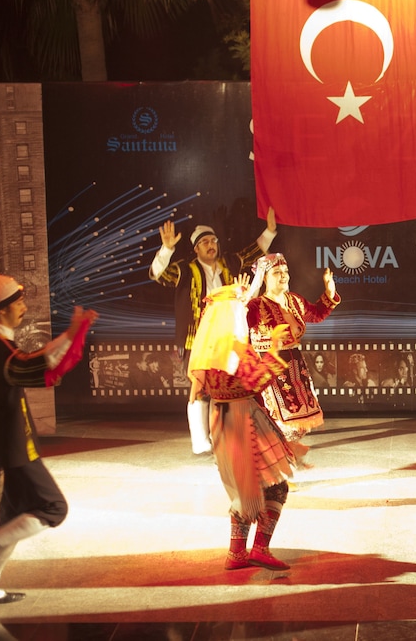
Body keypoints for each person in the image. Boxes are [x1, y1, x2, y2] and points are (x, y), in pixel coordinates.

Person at [0, 273, 98, 608]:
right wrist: (71, 334)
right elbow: (30, 368)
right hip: (11, 447)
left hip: (2, 444)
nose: (24, 307)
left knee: (11, 518)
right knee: (54, 508)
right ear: (2, 309)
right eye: (19, 302)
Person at [149, 207, 277, 455]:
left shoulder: (229, 264)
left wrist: (270, 230)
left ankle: (229, 436)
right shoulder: (186, 270)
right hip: (196, 339)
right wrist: (166, 249)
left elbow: (255, 251)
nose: (211, 246)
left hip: (228, 336)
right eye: (205, 242)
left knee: (230, 385)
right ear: (196, 248)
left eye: (213, 241)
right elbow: (158, 274)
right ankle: (200, 440)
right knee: (200, 387)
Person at [187, 283, 297, 572]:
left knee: (244, 489)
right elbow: (258, 380)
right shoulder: (234, 347)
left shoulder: (207, 351)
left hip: (221, 418)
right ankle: (259, 548)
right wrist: (274, 349)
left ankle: (237, 552)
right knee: (274, 487)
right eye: (238, 308)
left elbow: (199, 390)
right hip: (244, 419)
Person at [246, 253, 340, 464]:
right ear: (264, 278)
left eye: (285, 272)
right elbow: (238, 323)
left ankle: (283, 458)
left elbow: (316, 314)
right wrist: (242, 300)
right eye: (277, 272)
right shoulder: (255, 306)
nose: (284, 276)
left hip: (296, 366)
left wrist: (329, 292)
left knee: (299, 420)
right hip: (270, 369)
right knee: (276, 420)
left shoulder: (294, 300)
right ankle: (276, 464)